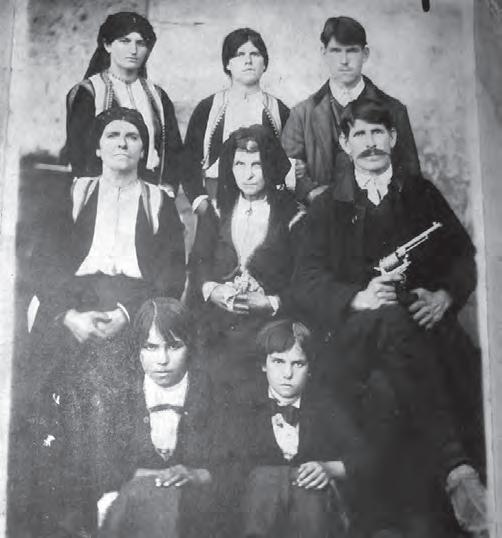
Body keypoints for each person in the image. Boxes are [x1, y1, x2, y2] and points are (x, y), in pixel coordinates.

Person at [291, 98, 486, 536]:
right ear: (344, 143)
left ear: (394, 138)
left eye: (378, 132)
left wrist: (444, 295)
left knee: (393, 382)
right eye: (359, 134)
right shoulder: (327, 207)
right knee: (392, 323)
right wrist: (356, 298)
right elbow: (304, 282)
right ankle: (456, 469)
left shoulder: (421, 194)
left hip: (424, 332)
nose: (370, 143)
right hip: (352, 341)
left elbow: (464, 257)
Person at [24, 107, 186, 536]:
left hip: (132, 304)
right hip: (73, 301)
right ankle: (66, 515)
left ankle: (108, 506)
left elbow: (171, 274)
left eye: (132, 136)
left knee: (113, 394)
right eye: (113, 135)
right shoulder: (74, 193)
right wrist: (69, 316)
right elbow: (43, 262)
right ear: (97, 147)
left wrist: (126, 315)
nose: (122, 143)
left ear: (143, 149)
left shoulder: (158, 200)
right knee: (55, 391)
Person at [96, 298, 223, 538]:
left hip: (195, 510)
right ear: (138, 350)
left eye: (174, 346)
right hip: (135, 506)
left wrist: (196, 474)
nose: (162, 360)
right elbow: (107, 466)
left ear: (190, 347)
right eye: (151, 347)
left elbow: (232, 465)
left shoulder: (211, 392)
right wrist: (154, 478)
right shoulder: (122, 393)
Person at [230, 319, 368, 538]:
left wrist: (329, 468)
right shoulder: (242, 405)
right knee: (267, 478)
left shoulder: (325, 405)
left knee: (309, 490)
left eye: (298, 364)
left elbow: (365, 456)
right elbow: (230, 467)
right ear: (263, 364)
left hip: (314, 516)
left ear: (310, 367)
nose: (287, 374)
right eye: (278, 361)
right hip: (260, 514)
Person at [189, 124, 301, 393]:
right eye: (239, 164)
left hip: (270, 324)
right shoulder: (216, 210)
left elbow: (304, 280)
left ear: (270, 165)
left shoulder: (293, 216)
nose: (248, 175)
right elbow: (198, 263)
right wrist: (213, 290)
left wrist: (269, 302)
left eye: (257, 165)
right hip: (217, 321)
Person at [281, 16, 420, 204]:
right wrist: (313, 194)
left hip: (382, 215)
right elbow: (286, 172)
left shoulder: (394, 110)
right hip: (323, 217)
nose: (344, 61)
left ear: (365, 54)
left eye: (352, 51)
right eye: (336, 51)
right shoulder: (301, 114)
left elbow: (411, 176)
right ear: (324, 53)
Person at [63, 11, 183, 195]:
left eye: (140, 43)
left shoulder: (158, 96)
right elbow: (79, 153)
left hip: (152, 191)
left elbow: (173, 150)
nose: (133, 50)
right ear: (107, 45)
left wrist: (167, 191)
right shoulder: (89, 92)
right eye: (125, 41)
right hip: (102, 193)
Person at [183, 27, 290, 214]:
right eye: (240, 54)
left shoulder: (278, 111)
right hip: (215, 205)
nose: (248, 61)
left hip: (266, 208)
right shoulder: (208, 108)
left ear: (264, 64)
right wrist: (201, 204)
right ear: (228, 64)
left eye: (255, 54)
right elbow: (188, 162)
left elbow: (289, 164)